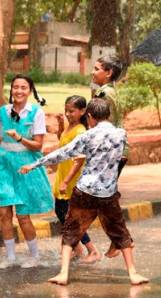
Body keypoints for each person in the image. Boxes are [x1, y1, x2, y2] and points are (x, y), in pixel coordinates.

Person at [20, 98, 148, 286]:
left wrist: (35, 164)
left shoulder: (87, 136)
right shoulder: (121, 134)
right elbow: (120, 157)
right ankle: (133, 274)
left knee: (71, 230)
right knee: (120, 230)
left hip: (85, 191)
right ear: (108, 115)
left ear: (89, 116)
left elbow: (63, 153)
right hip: (107, 194)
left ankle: (63, 274)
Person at [0, 74, 53, 269]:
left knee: (23, 216)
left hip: (25, 166)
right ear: (11, 90)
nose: (19, 91)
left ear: (30, 91)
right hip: (3, 165)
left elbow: (38, 146)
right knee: (4, 212)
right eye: (16, 87)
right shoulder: (3, 111)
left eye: (23, 88)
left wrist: (19, 139)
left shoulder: (36, 113)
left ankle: (34, 256)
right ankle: (10, 256)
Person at [54, 96, 100, 264]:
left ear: (82, 112)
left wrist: (66, 181)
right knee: (61, 212)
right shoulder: (70, 127)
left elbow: (79, 159)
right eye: (66, 110)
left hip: (71, 179)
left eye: (71, 111)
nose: (68, 114)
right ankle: (77, 248)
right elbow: (62, 142)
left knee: (70, 217)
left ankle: (92, 250)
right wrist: (60, 124)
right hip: (63, 175)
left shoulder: (80, 131)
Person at [91, 55, 129, 258]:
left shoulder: (104, 93)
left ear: (108, 73)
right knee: (103, 199)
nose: (93, 72)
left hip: (111, 153)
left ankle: (121, 240)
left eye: (97, 69)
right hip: (116, 150)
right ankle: (119, 240)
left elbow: (98, 123)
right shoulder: (110, 91)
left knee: (102, 199)